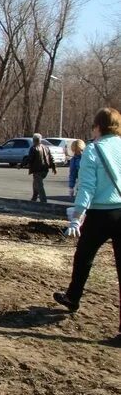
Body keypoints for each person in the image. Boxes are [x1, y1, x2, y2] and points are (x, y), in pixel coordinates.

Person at [54, 108, 121, 339]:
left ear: (99, 126)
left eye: (93, 126)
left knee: (84, 257)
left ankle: (73, 297)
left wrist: (77, 217)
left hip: (100, 214)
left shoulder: (94, 149)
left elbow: (87, 187)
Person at [20, 133, 56, 203]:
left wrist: (21, 165)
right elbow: (51, 158)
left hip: (37, 170)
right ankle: (34, 198)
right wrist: (54, 167)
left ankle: (44, 202)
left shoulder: (33, 148)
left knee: (39, 186)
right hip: (45, 170)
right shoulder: (46, 147)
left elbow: (29, 159)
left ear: (33, 140)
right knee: (35, 184)